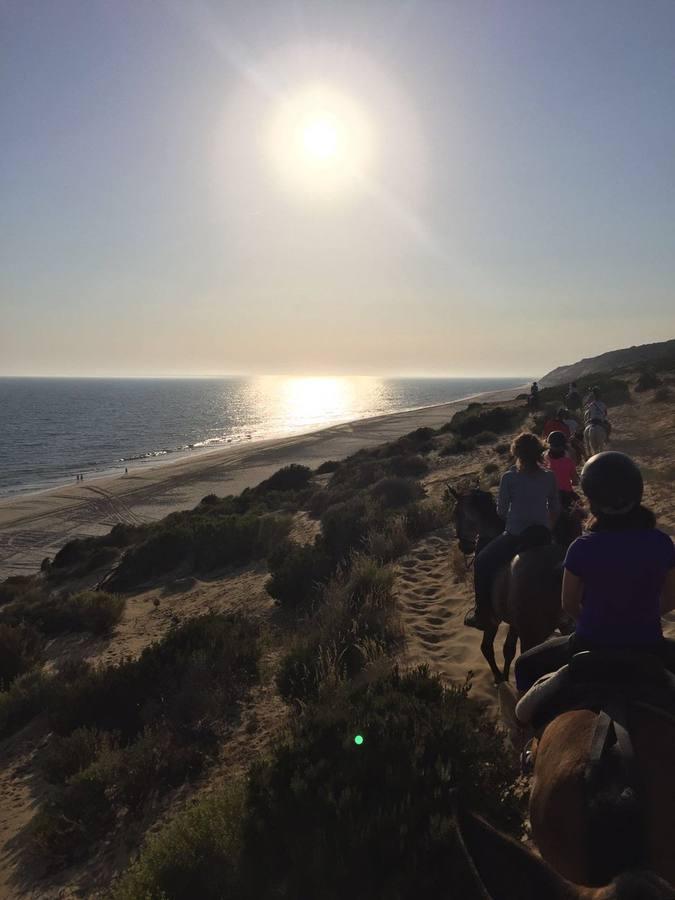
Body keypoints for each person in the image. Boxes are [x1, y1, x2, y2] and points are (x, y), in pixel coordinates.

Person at [515, 451, 675, 692]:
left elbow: (569, 603)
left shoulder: (580, 548)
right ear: (637, 493)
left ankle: (523, 730)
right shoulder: (661, 542)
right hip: (649, 643)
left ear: (592, 500)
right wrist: (643, 614)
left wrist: (597, 621)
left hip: (590, 642)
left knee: (524, 665)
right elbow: (671, 597)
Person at [465, 433, 560, 630]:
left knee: (482, 561)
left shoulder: (509, 478)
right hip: (542, 535)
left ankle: (482, 613)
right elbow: (554, 508)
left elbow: (501, 511)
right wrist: (546, 527)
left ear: (517, 454)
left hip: (516, 534)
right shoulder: (549, 476)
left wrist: (515, 515)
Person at [545, 431, 579, 508]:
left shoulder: (544, 461)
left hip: (549, 496)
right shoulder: (569, 462)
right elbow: (575, 482)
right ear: (563, 446)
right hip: (566, 494)